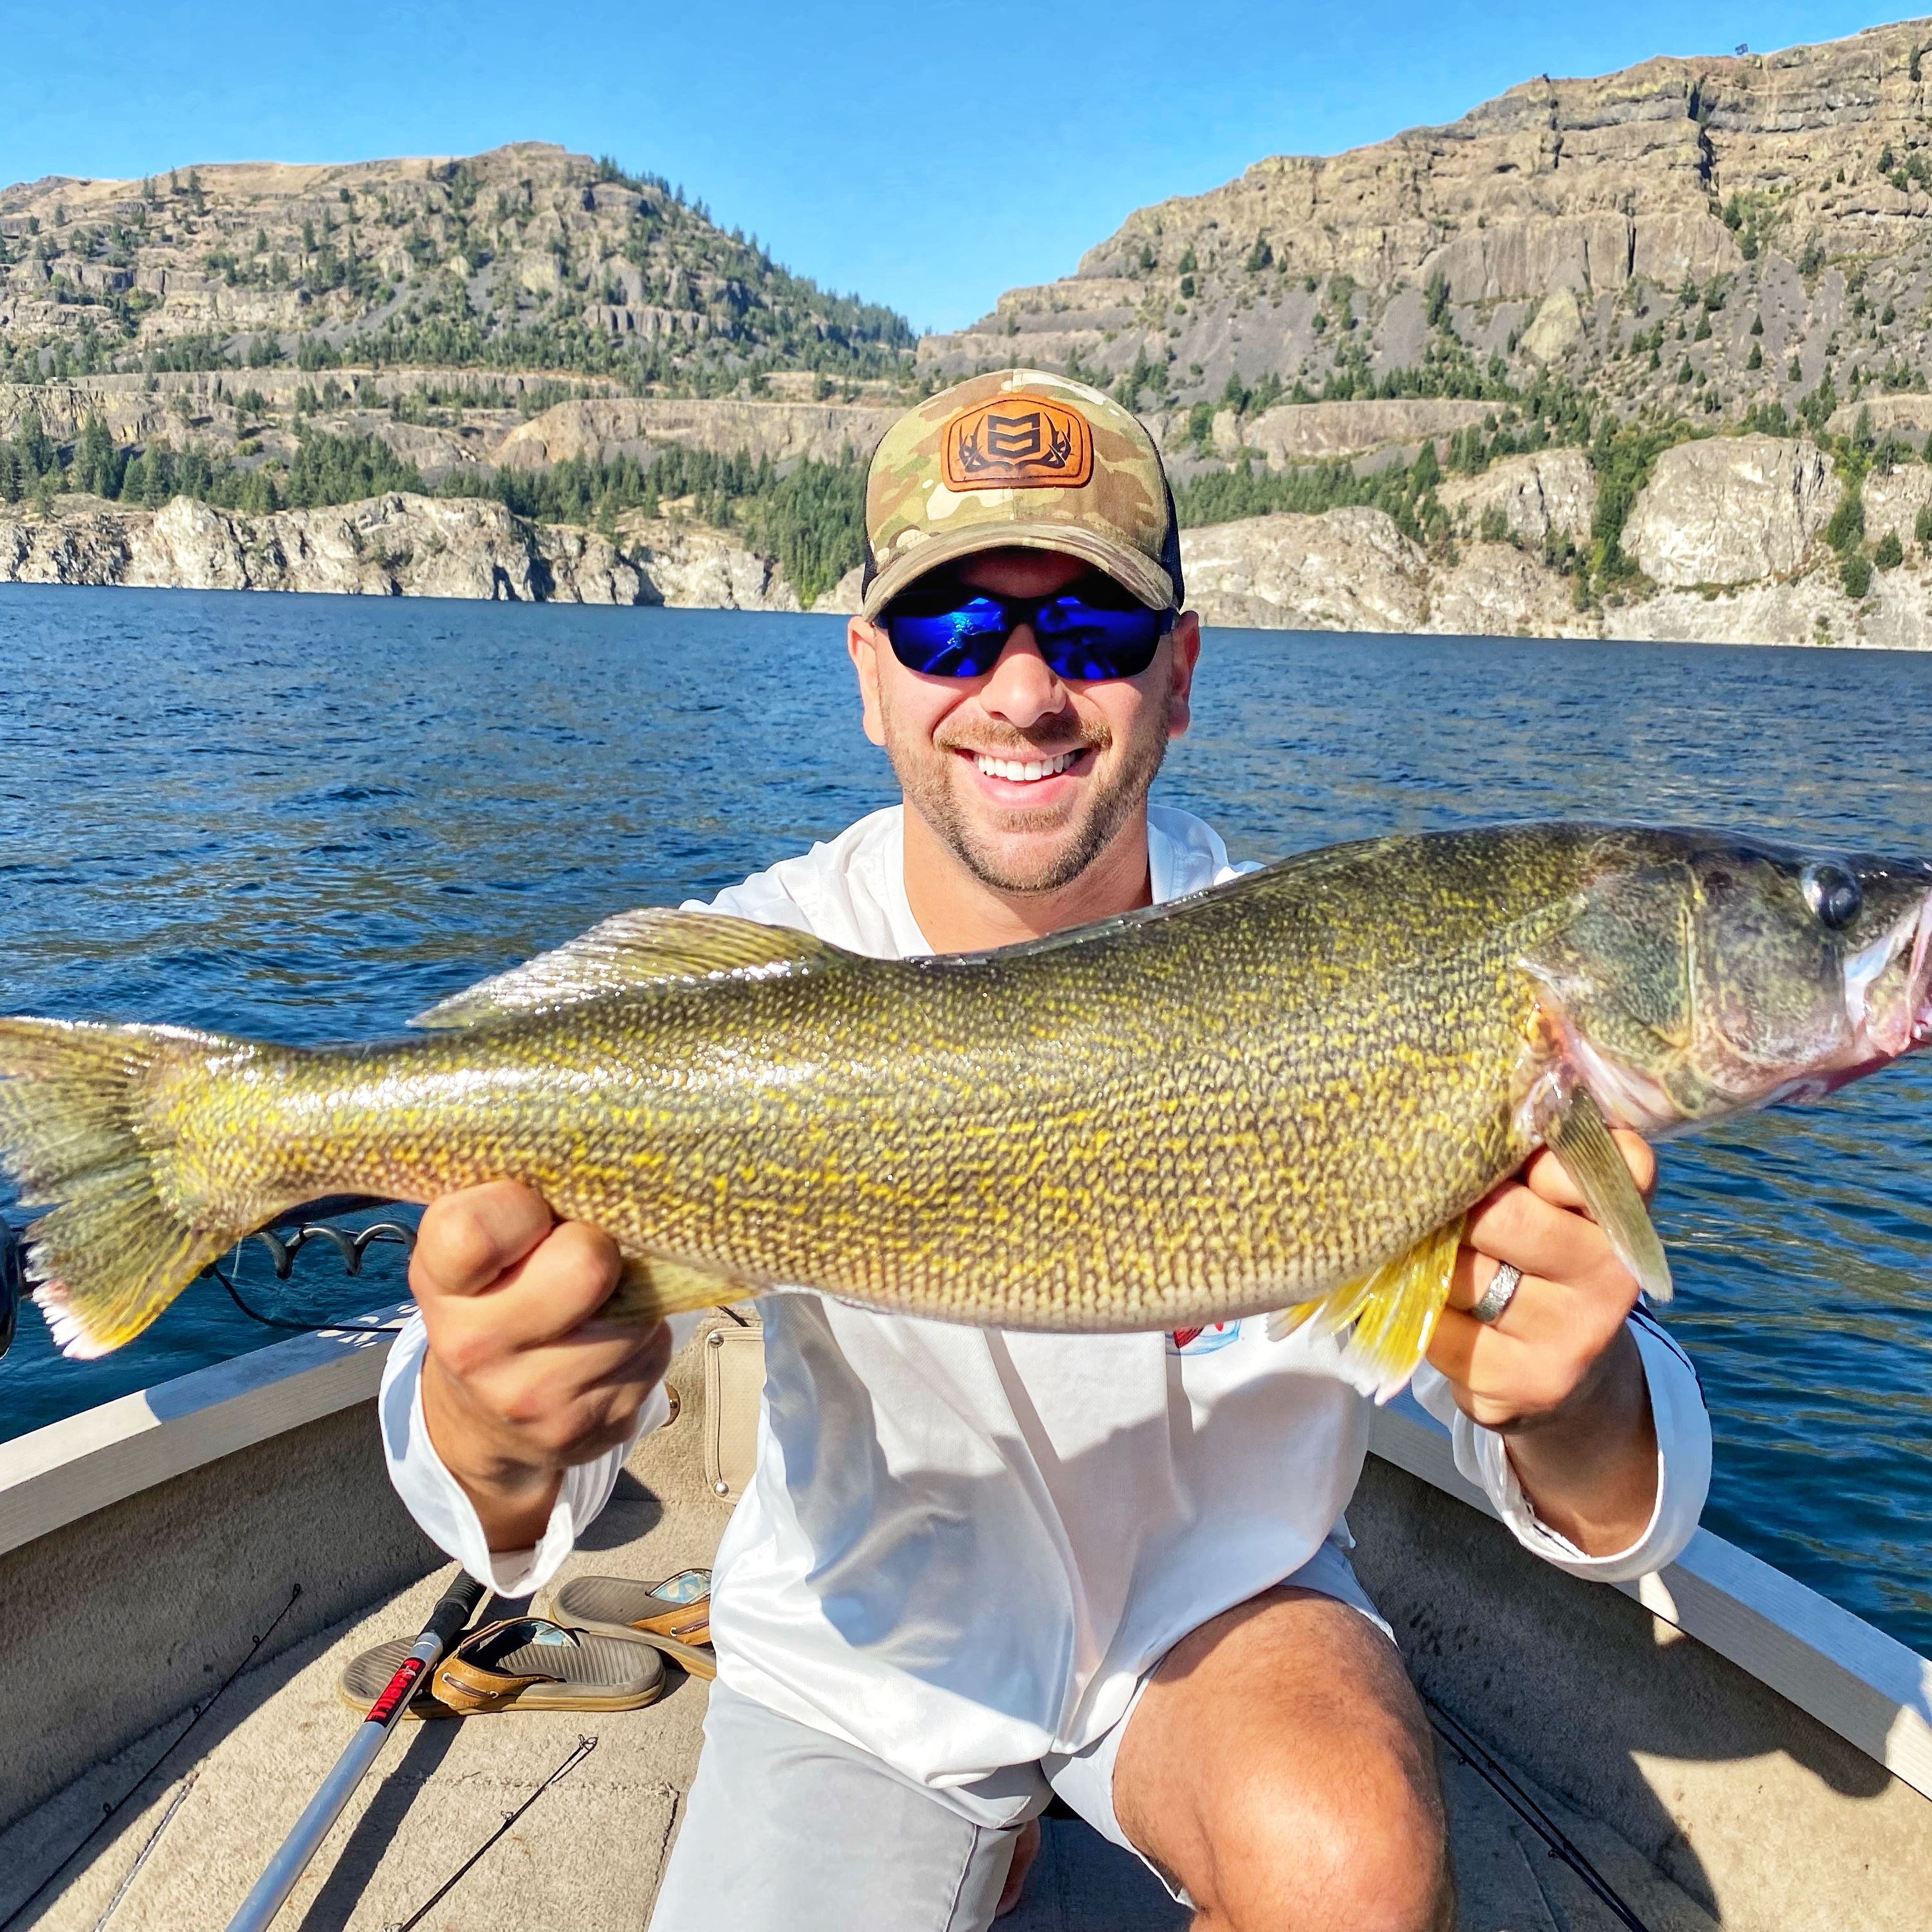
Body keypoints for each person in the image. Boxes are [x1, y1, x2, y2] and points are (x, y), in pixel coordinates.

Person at [379, 370, 1712, 1932]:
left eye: (1092, 630)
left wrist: (1568, 1391)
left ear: (1183, 671)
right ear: (869, 675)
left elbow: (1620, 1502)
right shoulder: (744, 975)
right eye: (954, 630)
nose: (1023, 691)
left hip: (1217, 1627)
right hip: (862, 1669)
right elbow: (497, 1473)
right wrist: (493, 1422)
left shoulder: (1359, 971)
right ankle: (981, 1828)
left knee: (1350, 1866)